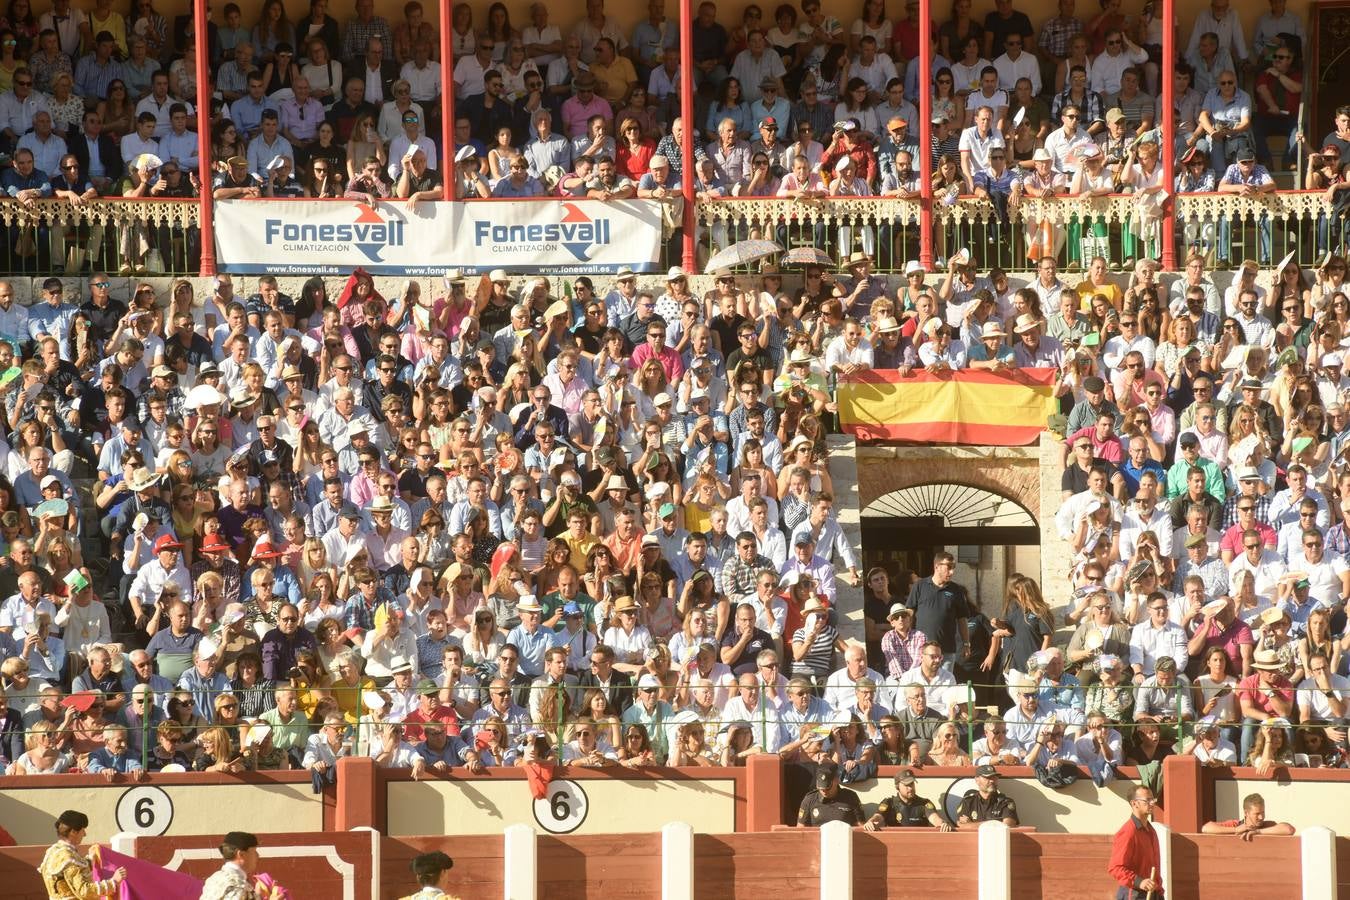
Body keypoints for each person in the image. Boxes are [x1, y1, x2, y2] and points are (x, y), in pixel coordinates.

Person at [38, 810, 126, 899]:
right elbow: (84, 891)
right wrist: (113, 882)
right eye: (82, 830)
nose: (84, 834)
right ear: (73, 832)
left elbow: (75, 872)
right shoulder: (68, 857)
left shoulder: (52, 852)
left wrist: (90, 859)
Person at [1108, 785, 1163, 899]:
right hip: (1134, 894)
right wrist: (1140, 882)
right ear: (1134, 803)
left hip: (1152, 894)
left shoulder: (1151, 830)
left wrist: (1159, 892)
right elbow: (1116, 868)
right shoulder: (1128, 832)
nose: (1152, 803)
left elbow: (1154, 866)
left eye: (1153, 799)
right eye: (1147, 800)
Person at [864, 770, 953, 830]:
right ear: (897, 787)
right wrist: (870, 822)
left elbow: (934, 818)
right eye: (906, 785)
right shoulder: (889, 803)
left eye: (912, 784)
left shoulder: (924, 803)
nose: (910, 788)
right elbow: (878, 817)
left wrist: (942, 823)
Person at [1201, 792, 1296, 840]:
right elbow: (1206, 828)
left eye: (1263, 812)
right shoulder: (1236, 824)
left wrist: (1258, 831)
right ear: (1246, 813)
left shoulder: (1268, 825)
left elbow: (1289, 829)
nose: (1261, 817)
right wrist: (1235, 830)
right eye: (1257, 814)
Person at [796, 760, 864, 827]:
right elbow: (801, 828)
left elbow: (860, 826)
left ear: (836, 780)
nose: (824, 791)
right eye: (821, 788)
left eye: (827, 788)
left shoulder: (850, 797)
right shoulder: (810, 799)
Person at [199, 830, 261, 900]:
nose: (258, 855)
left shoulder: (214, 879)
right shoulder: (238, 886)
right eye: (254, 851)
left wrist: (257, 896)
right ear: (241, 854)